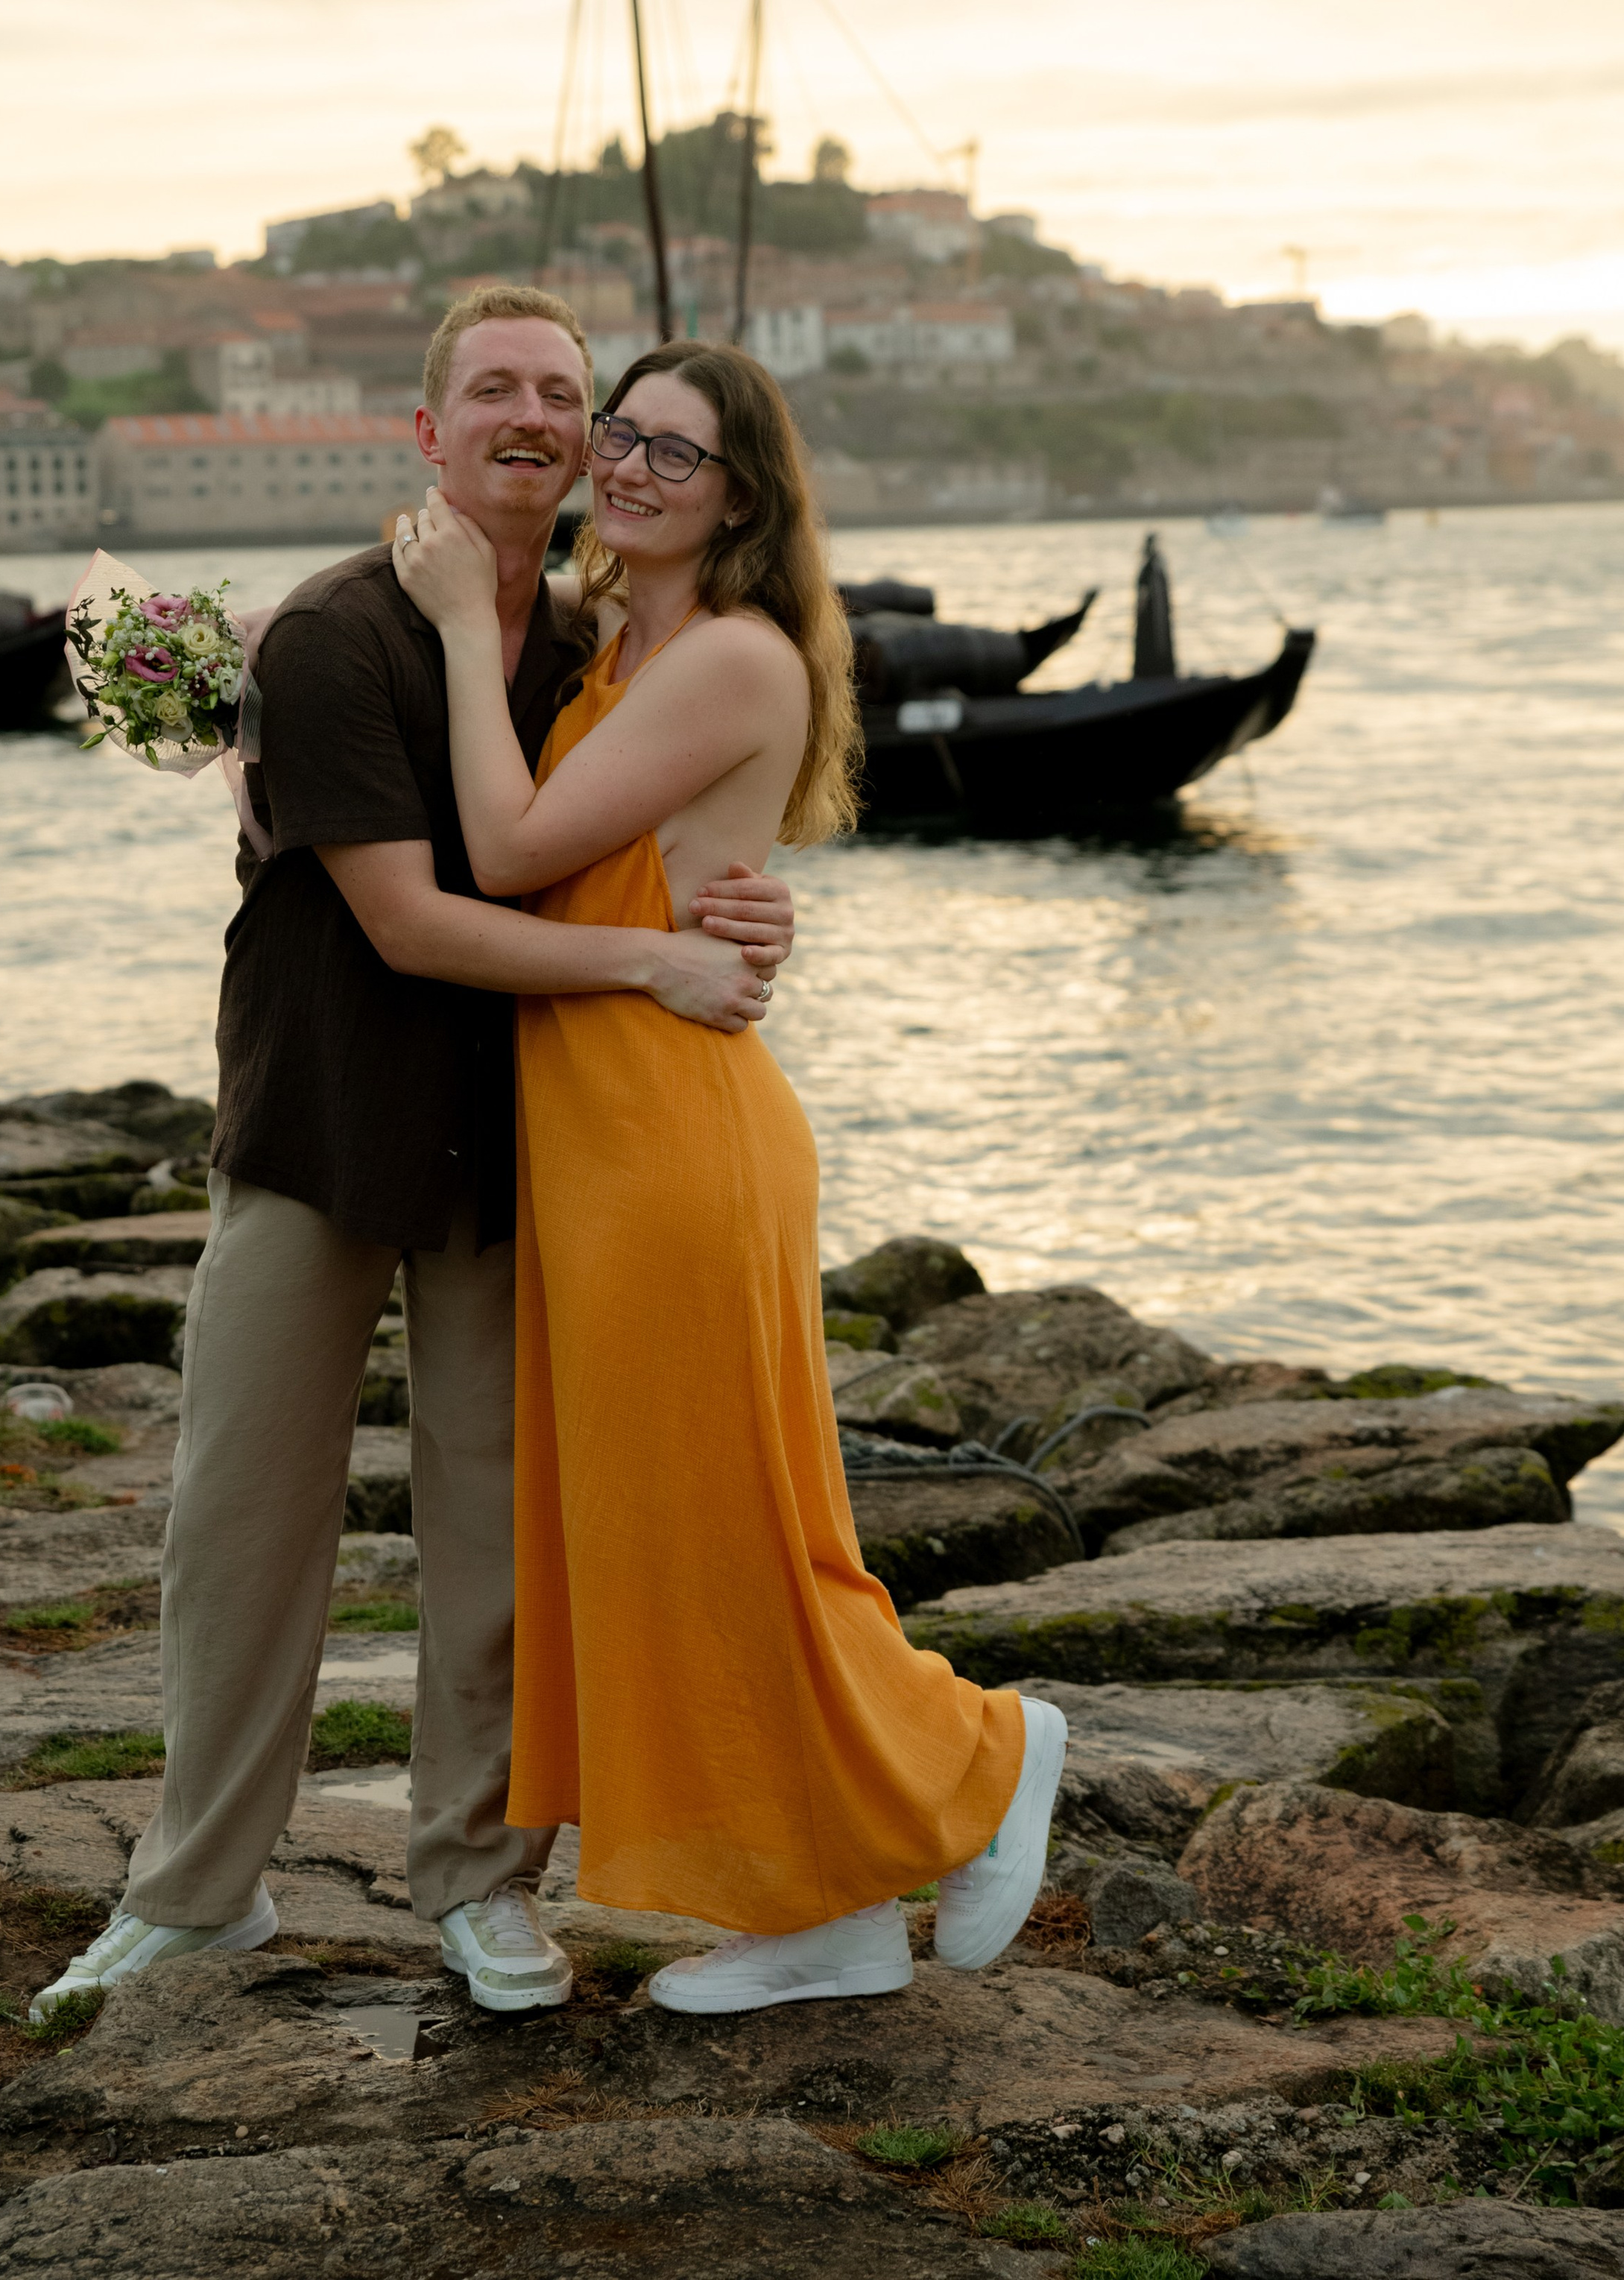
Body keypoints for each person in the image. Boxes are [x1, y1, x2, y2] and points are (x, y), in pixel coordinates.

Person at [31, 287, 797, 2025]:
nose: (535, 417)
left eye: (564, 394)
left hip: (527, 1143)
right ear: (427, 431)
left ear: (592, 439)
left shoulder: (600, 657)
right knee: (242, 1520)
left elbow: (665, 831)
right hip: (317, 1126)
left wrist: (741, 912)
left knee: (495, 1531)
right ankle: (197, 1892)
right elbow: (409, 924)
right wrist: (658, 963)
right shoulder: (332, 636)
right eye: (496, 391)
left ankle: (479, 1882)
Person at [392, 338, 1066, 2015]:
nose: (620, 468)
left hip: (675, 1134)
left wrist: (472, 641)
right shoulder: (627, 635)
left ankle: (987, 1755)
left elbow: (508, 854)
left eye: (669, 456)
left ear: (743, 496)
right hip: (605, 1127)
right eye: (617, 434)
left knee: (735, 1531)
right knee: (669, 1539)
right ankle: (817, 1914)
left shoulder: (734, 658)